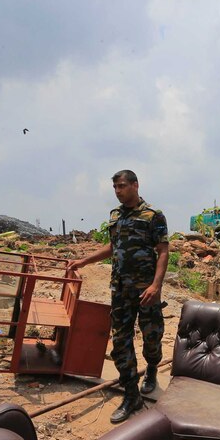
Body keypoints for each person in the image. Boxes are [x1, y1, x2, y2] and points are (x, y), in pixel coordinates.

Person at [68, 170, 169, 424]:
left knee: (152, 339)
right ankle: (132, 395)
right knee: (121, 342)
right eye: (115, 187)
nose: (118, 191)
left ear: (135, 185)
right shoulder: (115, 215)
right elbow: (113, 247)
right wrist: (84, 261)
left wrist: (156, 286)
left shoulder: (153, 216)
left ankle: (153, 369)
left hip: (147, 291)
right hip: (121, 291)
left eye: (122, 186)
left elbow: (163, 251)